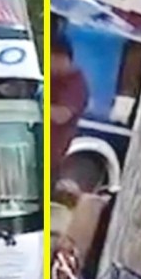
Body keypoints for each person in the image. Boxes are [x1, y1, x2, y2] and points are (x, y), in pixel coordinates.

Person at [50, 35, 88, 180]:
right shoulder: (52, 78)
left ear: (61, 58)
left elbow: (62, 115)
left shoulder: (75, 84)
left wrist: (35, 106)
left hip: (52, 157)